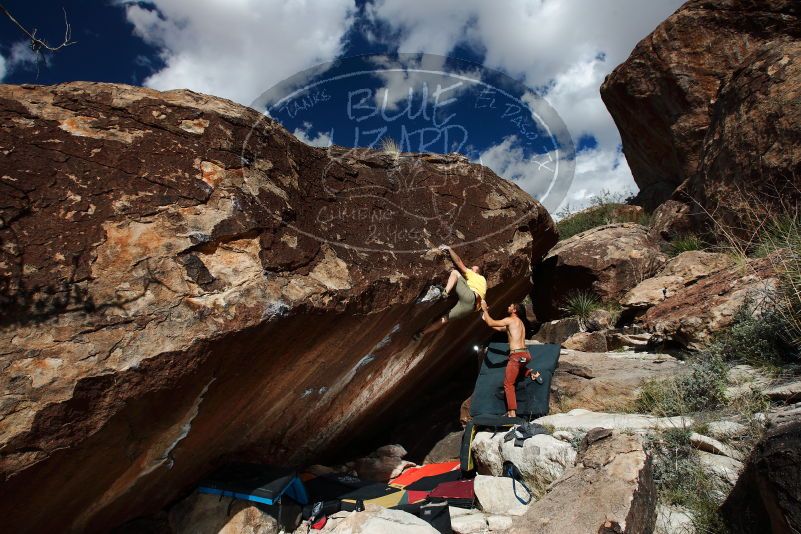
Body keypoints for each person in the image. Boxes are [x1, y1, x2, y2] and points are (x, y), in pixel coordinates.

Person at [479, 300, 540, 418]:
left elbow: (492, 323)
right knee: (518, 367)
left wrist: (485, 310)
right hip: (525, 357)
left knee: (508, 384)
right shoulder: (519, 323)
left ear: (514, 310)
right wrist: (485, 319)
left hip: (517, 356)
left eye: (510, 305)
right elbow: (497, 327)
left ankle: (512, 413)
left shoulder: (510, 320)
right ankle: (531, 372)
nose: (508, 306)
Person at [413, 245, 487, 340]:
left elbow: (458, 262)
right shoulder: (483, 281)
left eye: (472, 268)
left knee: (455, 272)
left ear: (476, 271)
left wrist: (449, 249)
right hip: (471, 308)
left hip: (470, 296)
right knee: (445, 319)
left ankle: (445, 292)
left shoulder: (473, 274)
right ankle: (422, 333)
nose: (471, 269)